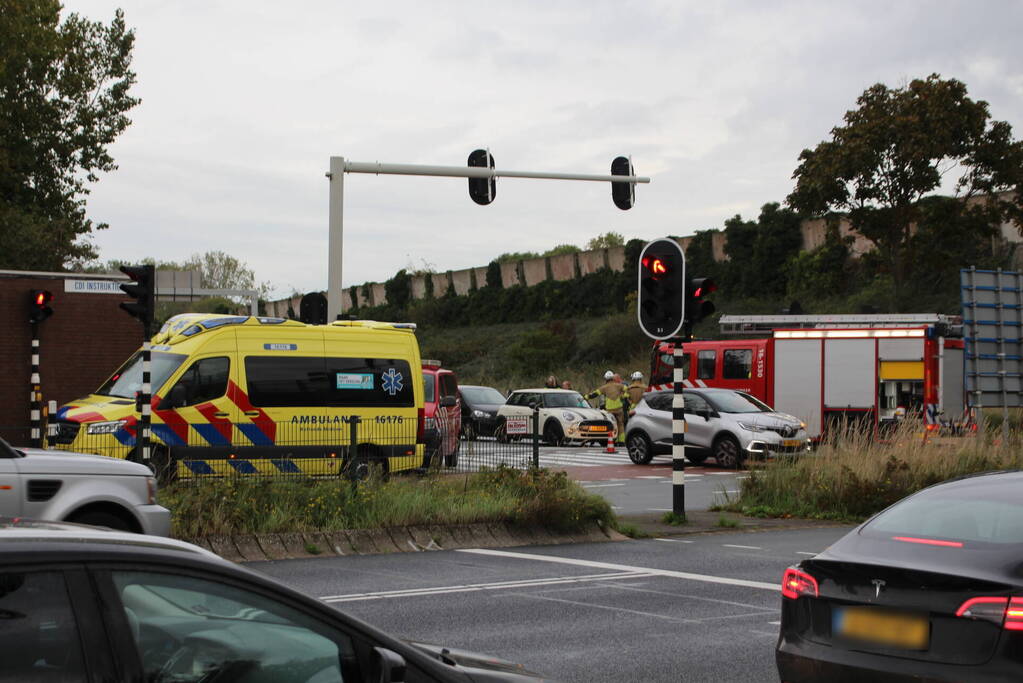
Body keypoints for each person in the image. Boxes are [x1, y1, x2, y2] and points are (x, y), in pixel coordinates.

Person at [586, 370, 627, 444]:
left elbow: (594, 394)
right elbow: (627, 389)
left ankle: (611, 439)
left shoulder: (604, 387)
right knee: (620, 424)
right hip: (619, 409)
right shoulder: (619, 385)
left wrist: (586, 397)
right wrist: (623, 396)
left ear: (605, 379)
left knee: (611, 425)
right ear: (612, 378)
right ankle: (621, 441)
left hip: (610, 410)